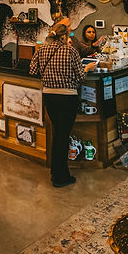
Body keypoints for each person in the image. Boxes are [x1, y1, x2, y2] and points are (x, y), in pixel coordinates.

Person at [30, 18, 97, 187]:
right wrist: (87, 68)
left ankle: (56, 172)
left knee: (58, 133)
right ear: (63, 36)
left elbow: (33, 71)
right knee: (62, 135)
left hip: (49, 96)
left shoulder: (41, 50)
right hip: (67, 97)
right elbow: (80, 77)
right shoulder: (70, 51)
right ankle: (60, 177)